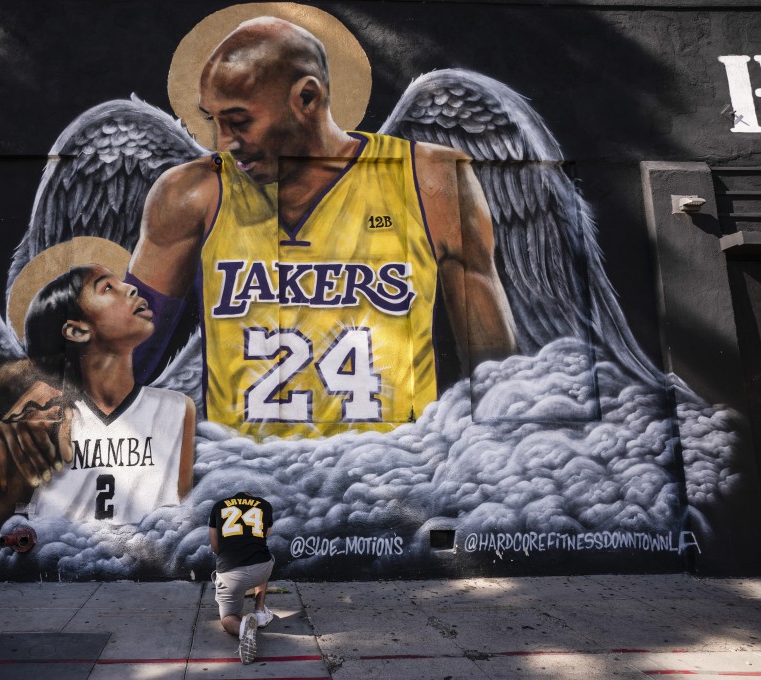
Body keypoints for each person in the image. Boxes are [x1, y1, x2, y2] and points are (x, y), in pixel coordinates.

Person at [127, 17, 517, 438]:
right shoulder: (190, 195)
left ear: (307, 98)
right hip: (244, 484)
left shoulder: (431, 179)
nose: (223, 141)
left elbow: (496, 378)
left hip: (391, 481)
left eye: (239, 121)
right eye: (214, 120)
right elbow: (122, 356)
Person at [0, 264, 196, 547]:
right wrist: (4, 473)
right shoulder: (41, 419)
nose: (131, 287)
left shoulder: (178, 409)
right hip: (59, 569)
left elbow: (181, 525)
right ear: (77, 330)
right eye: (107, 287)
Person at [208, 490, 275, 664]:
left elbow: (215, 547)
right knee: (264, 555)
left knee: (228, 617)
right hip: (261, 568)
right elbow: (264, 536)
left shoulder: (218, 506)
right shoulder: (265, 505)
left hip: (230, 574)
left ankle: (242, 629)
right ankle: (260, 611)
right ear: (251, 498)